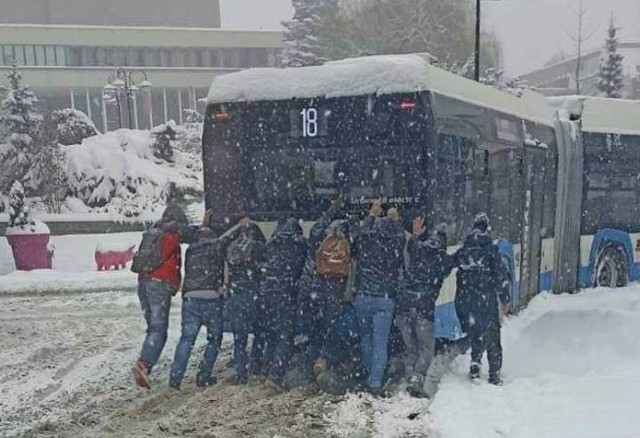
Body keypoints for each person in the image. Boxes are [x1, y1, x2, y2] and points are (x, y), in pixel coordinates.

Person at [168, 212, 231, 390]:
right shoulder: (219, 245)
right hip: (211, 297)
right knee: (214, 338)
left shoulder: (192, 248)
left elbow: (189, 233)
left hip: (191, 297)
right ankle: (203, 375)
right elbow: (229, 237)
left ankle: (175, 379)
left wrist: (202, 226)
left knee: (187, 339)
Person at [353, 200, 406, 395]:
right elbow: (402, 237)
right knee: (380, 342)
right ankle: (375, 381)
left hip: (363, 296)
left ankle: (370, 373)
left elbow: (359, 235)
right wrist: (396, 220)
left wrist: (371, 216)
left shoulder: (366, 240)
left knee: (366, 338)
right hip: (384, 299)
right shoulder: (394, 242)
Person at [395, 218, 453, 397]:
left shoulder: (418, 249)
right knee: (426, 347)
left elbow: (412, 245)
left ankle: (409, 376)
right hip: (423, 309)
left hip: (403, 306)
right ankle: (417, 377)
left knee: (411, 347)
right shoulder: (442, 260)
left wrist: (415, 235)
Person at [298, 201, 354, 383]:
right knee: (334, 331)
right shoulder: (348, 241)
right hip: (335, 292)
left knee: (315, 330)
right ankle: (328, 362)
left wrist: (330, 211)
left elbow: (317, 227)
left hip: (314, 290)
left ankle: (308, 367)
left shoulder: (317, 237)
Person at [250, 217, 307, 390]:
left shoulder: (271, 245)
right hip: (284, 295)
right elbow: (301, 270)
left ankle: (263, 369)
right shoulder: (298, 246)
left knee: (271, 334)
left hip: (265, 294)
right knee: (285, 336)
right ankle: (275, 375)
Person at [453, 213, 510, 385]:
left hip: (467, 300)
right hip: (486, 300)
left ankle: (475, 364)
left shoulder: (464, 250)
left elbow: (456, 273)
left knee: (476, 332)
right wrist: (504, 298)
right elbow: (501, 276)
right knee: (493, 337)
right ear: (487, 229)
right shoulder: (491, 250)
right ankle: (494, 375)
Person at [131, 219, 182, 389]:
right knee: (159, 329)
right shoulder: (170, 237)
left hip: (143, 283)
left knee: (153, 327)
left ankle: (145, 367)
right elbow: (175, 264)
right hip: (159, 284)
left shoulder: (150, 237)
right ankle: (144, 364)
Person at [225, 217, 266, 384]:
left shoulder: (232, 248)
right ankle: (256, 363)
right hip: (254, 295)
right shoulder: (259, 247)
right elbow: (263, 271)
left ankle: (241, 373)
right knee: (260, 332)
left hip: (236, 295)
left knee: (239, 338)